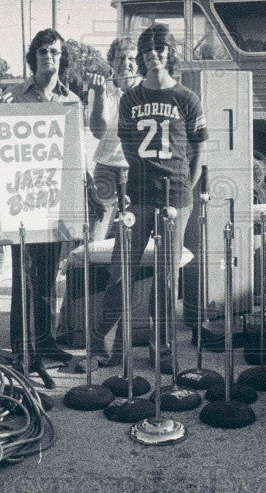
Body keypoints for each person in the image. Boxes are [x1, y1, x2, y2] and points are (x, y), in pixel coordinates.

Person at [81, 24, 208, 370]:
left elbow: (199, 151)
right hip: (138, 197)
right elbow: (125, 145)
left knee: (166, 278)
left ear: (170, 53)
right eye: (148, 49)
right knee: (120, 272)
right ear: (142, 56)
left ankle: (161, 348)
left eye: (160, 48)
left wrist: (185, 190)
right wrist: (138, 182)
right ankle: (100, 348)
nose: (154, 54)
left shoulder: (187, 97)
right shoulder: (131, 99)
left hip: (175, 199)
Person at [5, 28, 80, 366]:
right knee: (24, 275)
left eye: (55, 52)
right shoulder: (14, 97)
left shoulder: (71, 101)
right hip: (21, 196)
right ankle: (22, 345)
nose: (49, 56)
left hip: (54, 196)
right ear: (33, 57)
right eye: (42, 51)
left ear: (62, 59)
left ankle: (45, 341)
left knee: (50, 273)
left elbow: (75, 152)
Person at [86, 36, 141, 240]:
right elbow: (97, 131)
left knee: (135, 236)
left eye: (132, 59)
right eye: (120, 58)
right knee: (96, 236)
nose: (126, 63)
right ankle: (93, 272)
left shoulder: (147, 90)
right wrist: (100, 94)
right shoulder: (100, 88)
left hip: (138, 169)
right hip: (106, 168)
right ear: (111, 61)